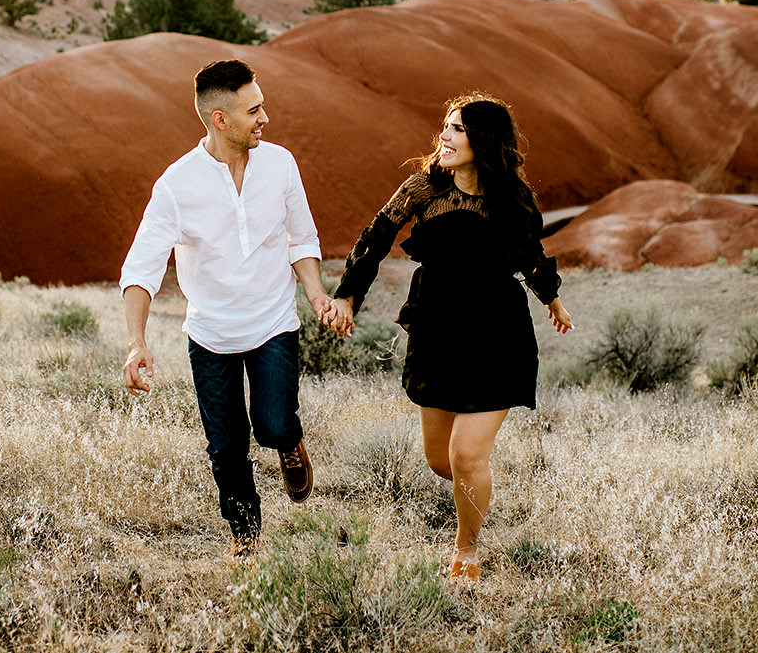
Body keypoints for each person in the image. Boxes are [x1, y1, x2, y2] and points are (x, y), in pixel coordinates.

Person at [323, 93, 573, 583]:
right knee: (442, 461)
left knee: (465, 455)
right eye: (445, 126)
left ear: (484, 139)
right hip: (437, 329)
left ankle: (467, 549)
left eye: (457, 129)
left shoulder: (511, 198)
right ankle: (477, 485)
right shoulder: (422, 189)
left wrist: (552, 298)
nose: (445, 136)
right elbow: (374, 239)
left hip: (497, 333)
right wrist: (349, 295)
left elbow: (530, 252)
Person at [120, 59, 337, 561]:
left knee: (273, 424)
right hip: (210, 334)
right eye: (254, 110)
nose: (266, 118)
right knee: (226, 446)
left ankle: (287, 442)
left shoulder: (280, 164)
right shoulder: (177, 184)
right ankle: (245, 535)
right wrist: (137, 341)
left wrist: (317, 294)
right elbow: (143, 266)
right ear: (221, 119)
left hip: (274, 322)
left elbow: (300, 237)